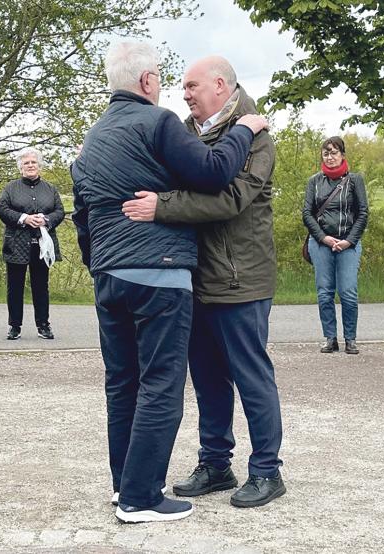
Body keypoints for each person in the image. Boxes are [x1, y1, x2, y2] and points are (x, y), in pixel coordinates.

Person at [70, 41, 267, 523]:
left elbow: (81, 210)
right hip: (159, 275)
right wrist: (245, 127)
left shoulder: (94, 136)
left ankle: (124, 487)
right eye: (163, 79)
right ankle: (142, 498)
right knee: (161, 385)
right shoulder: (156, 124)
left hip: (109, 276)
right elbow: (216, 171)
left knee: (122, 385)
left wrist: (99, 262)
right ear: (146, 82)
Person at [122, 56, 286, 508]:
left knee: (251, 376)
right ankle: (216, 463)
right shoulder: (189, 133)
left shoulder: (257, 137)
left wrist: (164, 206)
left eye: (192, 86)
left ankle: (267, 471)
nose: (185, 94)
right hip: (195, 277)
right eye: (182, 88)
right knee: (209, 379)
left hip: (241, 278)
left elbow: (231, 199)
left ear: (219, 84)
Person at [302, 136, 369, 355]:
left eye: (334, 152)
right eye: (326, 153)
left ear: (342, 155)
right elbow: (307, 213)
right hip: (321, 243)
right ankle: (330, 338)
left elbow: (363, 213)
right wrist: (323, 238)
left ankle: (350, 339)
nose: (330, 157)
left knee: (348, 292)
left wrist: (349, 240)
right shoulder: (314, 181)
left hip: (348, 244)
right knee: (324, 293)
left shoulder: (354, 181)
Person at [0, 147, 64, 340]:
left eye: (33, 162)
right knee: (15, 287)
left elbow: (59, 211)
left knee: (41, 286)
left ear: (39, 165)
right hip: (17, 243)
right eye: (26, 163)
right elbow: (2, 210)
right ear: (21, 167)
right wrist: (24, 218)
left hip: (42, 245)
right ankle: (14, 326)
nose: (30, 165)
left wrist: (46, 220)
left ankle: (43, 325)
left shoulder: (50, 189)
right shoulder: (11, 188)